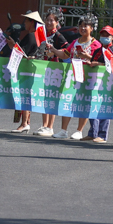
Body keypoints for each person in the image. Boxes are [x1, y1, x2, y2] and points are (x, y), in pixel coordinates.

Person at [52, 14, 102, 139]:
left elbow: (101, 61)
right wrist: (53, 49)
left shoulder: (96, 45)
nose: (83, 28)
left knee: (84, 102)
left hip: (88, 78)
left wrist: (87, 57)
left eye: (86, 26)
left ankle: (79, 130)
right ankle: (63, 130)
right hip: (72, 76)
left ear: (92, 28)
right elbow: (65, 55)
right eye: (81, 26)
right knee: (67, 100)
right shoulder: (75, 42)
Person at [35, 8, 71, 137]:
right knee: (45, 96)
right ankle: (44, 125)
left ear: (57, 22)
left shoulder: (58, 36)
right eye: (47, 20)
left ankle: (50, 126)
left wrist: (54, 50)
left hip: (55, 70)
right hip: (44, 68)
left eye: (52, 20)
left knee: (53, 97)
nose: (49, 22)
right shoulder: (43, 34)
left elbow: (66, 52)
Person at [9, 11, 43, 133]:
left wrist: (14, 45)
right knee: (26, 95)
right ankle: (26, 122)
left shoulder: (31, 36)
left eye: (27, 21)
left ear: (32, 22)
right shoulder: (35, 36)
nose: (25, 23)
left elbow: (23, 53)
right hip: (29, 70)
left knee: (24, 95)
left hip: (26, 70)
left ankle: (24, 123)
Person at [84, 25, 113, 143]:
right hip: (94, 83)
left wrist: (97, 64)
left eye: (107, 35)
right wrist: (90, 63)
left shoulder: (112, 50)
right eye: (102, 34)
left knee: (104, 108)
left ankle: (102, 135)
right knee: (92, 106)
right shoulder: (98, 50)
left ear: (112, 37)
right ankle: (93, 132)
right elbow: (93, 61)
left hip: (106, 83)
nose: (104, 37)